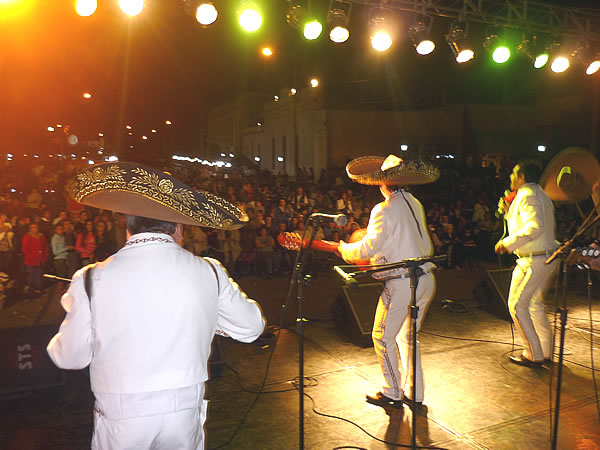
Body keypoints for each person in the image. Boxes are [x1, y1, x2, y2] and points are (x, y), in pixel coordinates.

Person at [47, 162, 265, 449]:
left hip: (121, 414)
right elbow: (252, 327)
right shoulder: (209, 271)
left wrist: (57, 342)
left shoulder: (90, 278)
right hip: (184, 412)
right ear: (179, 228)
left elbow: (70, 358)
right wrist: (211, 319)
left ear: (128, 227)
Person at [338, 155, 439, 408]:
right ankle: (414, 393)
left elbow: (368, 248)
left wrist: (344, 249)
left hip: (402, 282)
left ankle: (392, 391)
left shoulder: (384, 209)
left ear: (383, 184)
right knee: (408, 337)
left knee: (382, 337)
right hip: (425, 278)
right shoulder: (414, 203)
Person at [495, 161, 559, 366]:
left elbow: (535, 227)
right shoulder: (541, 194)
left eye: (514, 173)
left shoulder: (527, 194)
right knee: (534, 305)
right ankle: (545, 351)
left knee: (517, 306)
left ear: (522, 176)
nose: (511, 178)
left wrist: (507, 243)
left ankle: (533, 354)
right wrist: (507, 211)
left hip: (534, 259)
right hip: (546, 257)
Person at [22, 223, 48, 294]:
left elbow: (45, 246)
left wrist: (44, 256)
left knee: (38, 274)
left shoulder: (41, 236)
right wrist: (32, 256)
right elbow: (25, 248)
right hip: (30, 260)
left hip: (40, 260)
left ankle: (37, 289)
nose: (34, 229)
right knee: (30, 275)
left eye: (35, 227)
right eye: (32, 227)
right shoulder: (27, 237)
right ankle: (30, 289)